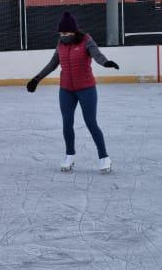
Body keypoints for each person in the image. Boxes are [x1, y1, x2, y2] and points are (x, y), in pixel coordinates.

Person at [26, 11, 120, 173]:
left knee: (91, 123)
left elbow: (97, 55)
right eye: (61, 33)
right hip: (66, 90)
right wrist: (36, 79)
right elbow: (52, 64)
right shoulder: (61, 44)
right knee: (67, 123)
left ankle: (104, 157)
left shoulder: (86, 41)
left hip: (86, 88)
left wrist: (106, 63)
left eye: (66, 33)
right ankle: (69, 155)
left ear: (74, 31)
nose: (63, 36)